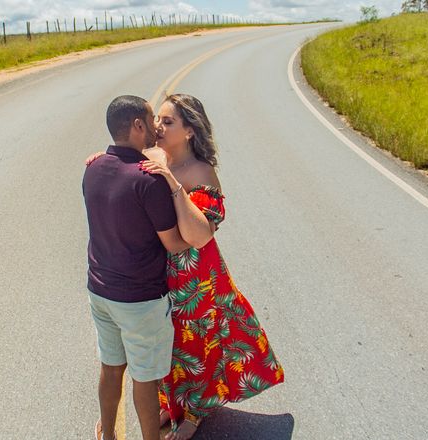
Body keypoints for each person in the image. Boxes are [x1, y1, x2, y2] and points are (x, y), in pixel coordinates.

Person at [90, 94, 285, 440]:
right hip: (160, 275)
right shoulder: (151, 156)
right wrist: (103, 161)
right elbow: (121, 166)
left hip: (198, 277)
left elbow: (198, 236)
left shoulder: (200, 171)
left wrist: (171, 181)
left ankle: (194, 413)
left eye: (168, 122)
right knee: (173, 345)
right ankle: (174, 403)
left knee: (199, 345)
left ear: (190, 131)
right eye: (157, 120)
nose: (158, 127)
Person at [83, 95, 191, 440]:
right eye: (150, 119)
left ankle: (109, 436)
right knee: (145, 378)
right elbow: (173, 242)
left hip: (99, 291)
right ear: (137, 125)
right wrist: (202, 236)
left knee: (111, 368)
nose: (156, 127)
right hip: (140, 299)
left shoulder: (93, 168)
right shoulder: (148, 180)